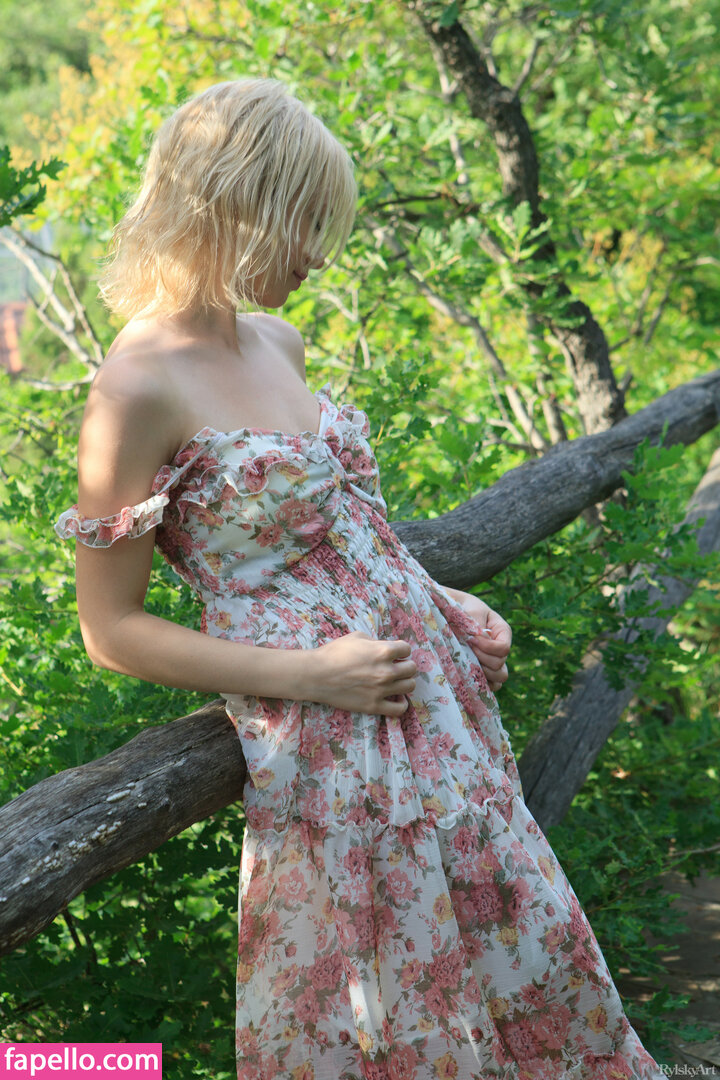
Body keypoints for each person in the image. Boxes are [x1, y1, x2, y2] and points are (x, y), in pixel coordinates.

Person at [55, 79, 665, 1080]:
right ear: (234, 205)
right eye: (303, 223)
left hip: (439, 724)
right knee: (386, 1006)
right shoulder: (136, 388)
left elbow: (348, 537)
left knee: (517, 963)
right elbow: (110, 629)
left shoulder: (276, 341)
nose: (318, 254)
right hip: (332, 755)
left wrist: (445, 605)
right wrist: (309, 675)